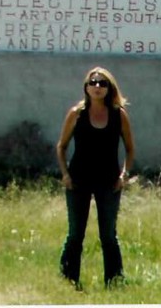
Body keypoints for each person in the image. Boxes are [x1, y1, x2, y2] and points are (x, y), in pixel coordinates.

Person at [56, 66, 135, 289]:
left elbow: (130, 149)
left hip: (109, 182)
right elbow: (61, 146)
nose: (97, 87)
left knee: (108, 235)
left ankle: (114, 280)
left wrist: (123, 175)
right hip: (78, 180)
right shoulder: (76, 114)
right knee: (75, 234)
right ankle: (68, 280)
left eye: (103, 83)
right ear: (86, 87)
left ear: (110, 88)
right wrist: (65, 174)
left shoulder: (119, 115)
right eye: (93, 82)